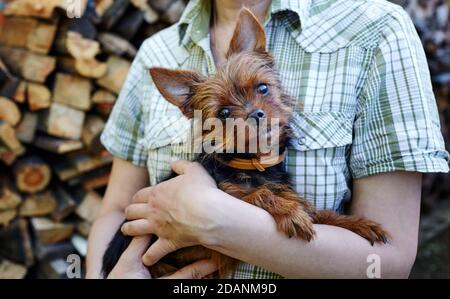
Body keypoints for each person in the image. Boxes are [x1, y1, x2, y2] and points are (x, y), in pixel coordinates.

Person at [86, 0, 450, 279]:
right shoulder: (156, 51)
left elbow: (390, 262)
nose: (254, 113)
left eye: (262, 90)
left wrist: (215, 219)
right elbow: (116, 207)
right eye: (226, 114)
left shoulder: (374, 29)